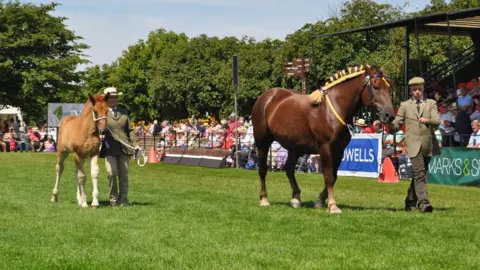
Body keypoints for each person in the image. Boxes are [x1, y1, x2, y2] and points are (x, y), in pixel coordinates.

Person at [391, 77, 440, 213]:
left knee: (419, 174)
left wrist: (427, 120)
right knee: (419, 173)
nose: (417, 92)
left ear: (423, 89)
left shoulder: (431, 103)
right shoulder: (405, 105)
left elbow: (437, 121)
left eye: (419, 89)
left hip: (428, 144)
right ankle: (424, 203)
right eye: (414, 90)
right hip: (412, 144)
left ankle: (410, 202)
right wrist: (390, 122)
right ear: (411, 91)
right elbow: (396, 123)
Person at [100, 87, 140, 207]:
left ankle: (123, 200)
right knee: (111, 173)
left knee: (123, 175)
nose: (114, 99)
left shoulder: (124, 112)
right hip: (109, 147)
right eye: (111, 97)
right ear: (106, 99)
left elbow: (130, 130)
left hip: (125, 147)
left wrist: (135, 144)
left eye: (116, 97)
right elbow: (99, 128)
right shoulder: (103, 113)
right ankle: (113, 199)